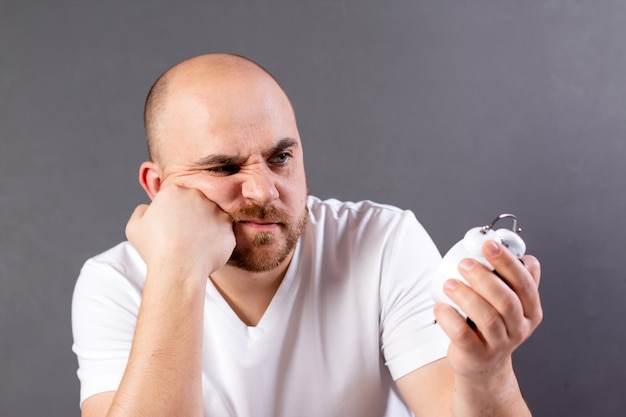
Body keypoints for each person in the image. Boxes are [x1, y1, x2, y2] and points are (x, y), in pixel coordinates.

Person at [71, 53, 543, 417]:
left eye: (279, 158)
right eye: (223, 167)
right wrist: (176, 269)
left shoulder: (381, 244)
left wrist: (488, 372)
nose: (263, 190)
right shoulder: (112, 284)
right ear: (159, 187)